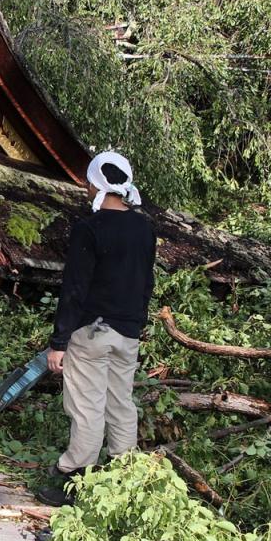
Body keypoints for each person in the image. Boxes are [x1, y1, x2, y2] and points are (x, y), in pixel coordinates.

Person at [36, 150, 157, 507]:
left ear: (99, 185)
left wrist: (58, 343)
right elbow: (145, 284)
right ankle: (126, 477)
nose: (86, 188)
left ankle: (75, 480)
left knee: (87, 406)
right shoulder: (145, 229)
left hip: (91, 333)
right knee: (121, 403)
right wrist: (136, 325)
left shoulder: (89, 228)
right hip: (128, 333)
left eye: (89, 182)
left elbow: (75, 289)